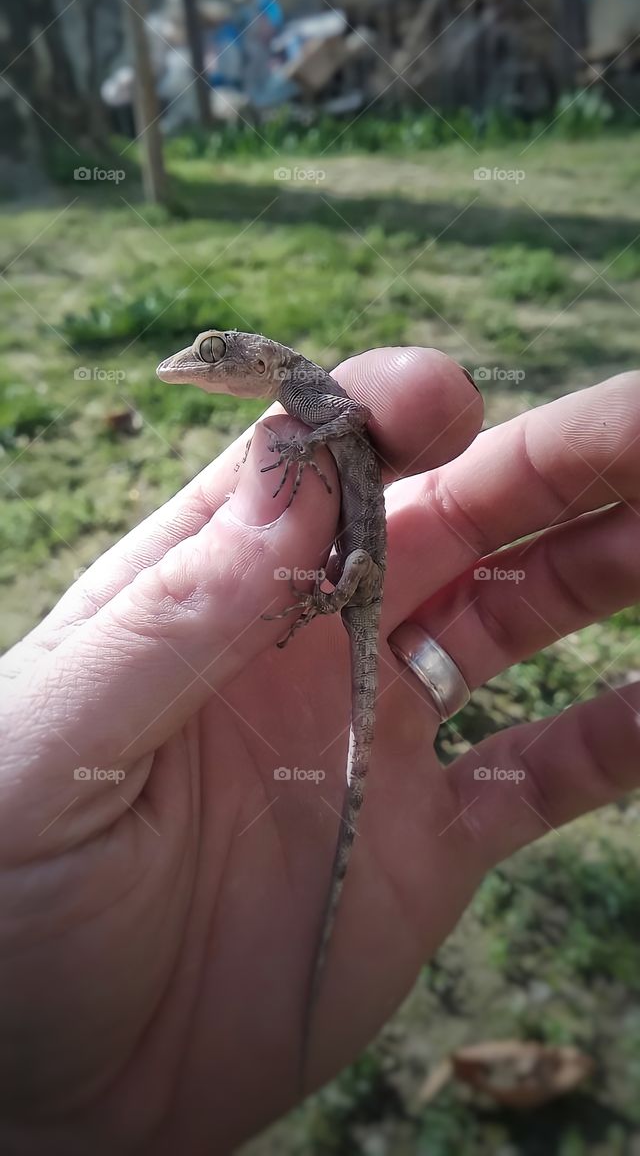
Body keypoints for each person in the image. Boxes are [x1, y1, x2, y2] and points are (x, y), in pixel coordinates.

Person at [1, 346, 638, 1155]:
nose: (199, 366)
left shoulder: (311, 394)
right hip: (349, 561)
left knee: (356, 669)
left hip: (358, 569)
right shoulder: (294, 391)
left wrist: (312, 509)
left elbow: (349, 419)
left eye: (214, 356)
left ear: (256, 358)